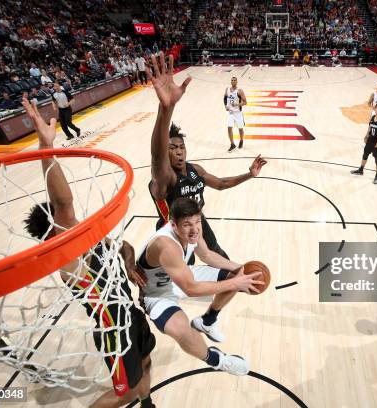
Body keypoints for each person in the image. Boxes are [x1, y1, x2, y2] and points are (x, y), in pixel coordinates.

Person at [20, 96, 156, 408]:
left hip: (130, 313)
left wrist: (130, 263)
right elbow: (63, 204)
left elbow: (122, 246)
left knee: (147, 360)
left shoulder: (86, 238)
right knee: (125, 394)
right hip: (113, 329)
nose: (73, 221)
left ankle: (147, 404)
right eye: (64, 224)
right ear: (55, 231)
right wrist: (46, 148)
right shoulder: (67, 260)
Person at [146, 53, 266, 263]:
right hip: (172, 232)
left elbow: (221, 183)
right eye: (172, 148)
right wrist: (166, 108)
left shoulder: (196, 170)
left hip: (196, 222)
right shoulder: (165, 178)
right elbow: (156, 157)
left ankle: (233, 277)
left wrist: (250, 174)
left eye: (181, 147)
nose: (179, 151)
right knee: (186, 275)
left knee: (218, 254)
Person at [136, 197, 263, 376]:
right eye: (187, 224)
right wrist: (236, 282)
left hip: (182, 274)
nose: (195, 229)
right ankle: (218, 360)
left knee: (234, 276)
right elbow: (191, 289)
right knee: (182, 330)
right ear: (173, 225)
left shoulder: (194, 230)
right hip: (157, 293)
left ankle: (207, 321)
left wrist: (240, 269)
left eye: (197, 221)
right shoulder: (166, 245)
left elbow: (207, 255)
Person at [350, 102, 377, 184]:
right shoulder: (372, 117)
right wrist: (366, 136)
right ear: (375, 108)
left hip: (376, 143)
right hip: (369, 141)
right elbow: (370, 127)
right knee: (365, 155)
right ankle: (361, 170)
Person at [224, 76, 247, 151]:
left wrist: (237, 104)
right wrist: (225, 106)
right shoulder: (227, 89)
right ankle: (232, 144)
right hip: (230, 112)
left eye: (234, 80)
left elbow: (245, 102)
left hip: (238, 113)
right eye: (232, 80)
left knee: (240, 128)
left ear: (237, 82)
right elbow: (224, 98)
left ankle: (241, 140)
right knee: (229, 128)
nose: (233, 81)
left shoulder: (239, 91)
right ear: (231, 81)